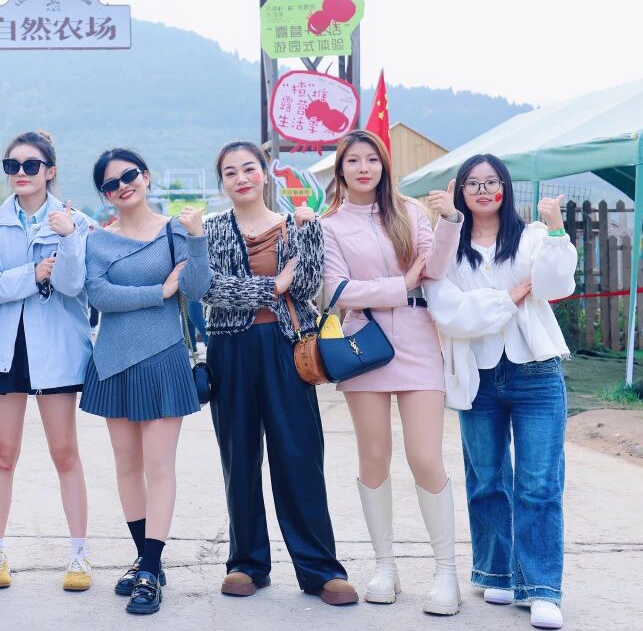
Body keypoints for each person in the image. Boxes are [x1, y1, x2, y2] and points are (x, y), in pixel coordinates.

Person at [200, 141, 358, 606]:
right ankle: (246, 563)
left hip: (289, 348)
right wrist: (274, 284)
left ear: (265, 173)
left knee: (299, 455)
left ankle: (321, 569)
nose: (241, 178)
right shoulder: (210, 229)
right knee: (239, 457)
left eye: (249, 168)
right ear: (223, 182)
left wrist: (307, 238)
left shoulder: (298, 224)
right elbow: (209, 289)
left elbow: (306, 287)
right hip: (231, 348)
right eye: (231, 172)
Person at [425, 155, 575, 630]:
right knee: (487, 478)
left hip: (536, 370)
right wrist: (508, 298)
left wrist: (556, 230)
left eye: (491, 182)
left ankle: (542, 588)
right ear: (460, 191)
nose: (483, 190)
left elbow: (552, 286)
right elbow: (448, 312)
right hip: (478, 376)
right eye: (473, 183)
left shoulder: (531, 236)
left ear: (505, 188)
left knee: (538, 483)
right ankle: (497, 572)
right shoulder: (448, 246)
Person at [319, 129, 464, 616]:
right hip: (362, 344)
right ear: (341, 169)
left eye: (372, 160)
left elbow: (435, 269)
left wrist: (450, 222)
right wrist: (400, 284)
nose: (363, 168)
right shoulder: (330, 225)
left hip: (419, 341)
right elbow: (337, 291)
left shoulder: (410, 211)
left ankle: (446, 573)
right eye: (353, 160)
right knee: (374, 456)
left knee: (425, 455)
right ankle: (385, 567)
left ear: (384, 165)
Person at [80, 147, 210, 616]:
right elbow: (100, 295)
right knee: (126, 465)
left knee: (159, 467)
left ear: (146, 176)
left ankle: (150, 569)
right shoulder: (97, 240)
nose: (122, 186)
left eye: (129, 175)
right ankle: (145, 560)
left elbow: (196, 289)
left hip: (163, 357)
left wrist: (197, 240)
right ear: (104, 194)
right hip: (113, 360)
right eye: (110, 184)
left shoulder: (175, 231)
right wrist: (159, 291)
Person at [0, 131, 92, 591]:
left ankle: (78, 556)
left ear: (50, 170)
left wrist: (69, 238)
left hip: (55, 349)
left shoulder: (75, 221)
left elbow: (74, 285)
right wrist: (32, 273)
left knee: (65, 452)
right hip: (3, 349)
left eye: (31, 165)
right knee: (3, 453)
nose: (20, 173)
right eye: (12, 166)